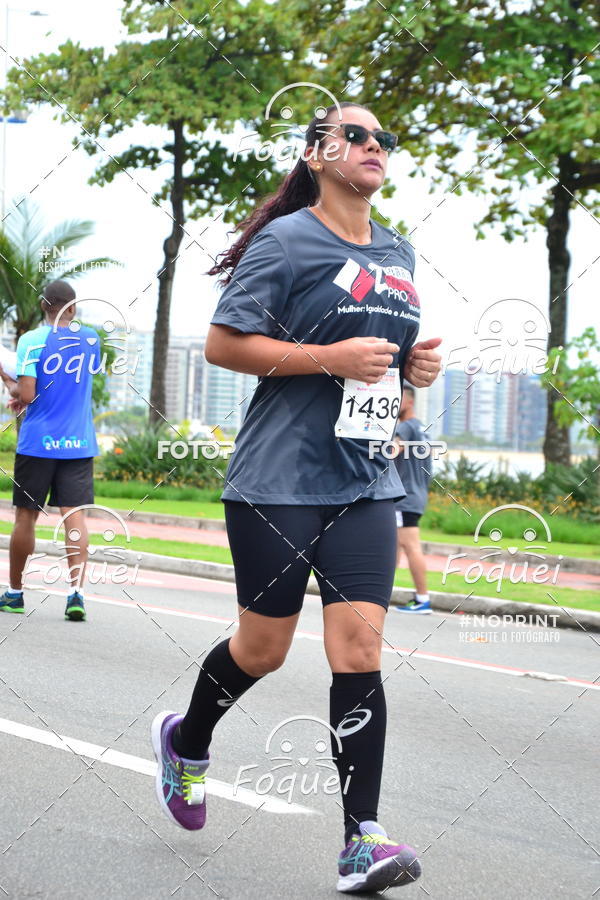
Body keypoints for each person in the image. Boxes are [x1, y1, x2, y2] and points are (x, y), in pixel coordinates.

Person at [151, 102, 441, 894]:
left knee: (360, 652)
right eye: (356, 135)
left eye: (385, 137)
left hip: (366, 482)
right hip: (278, 479)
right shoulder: (285, 241)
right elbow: (224, 344)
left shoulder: (399, 251)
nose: (375, 144)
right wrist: (329, 357)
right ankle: (187, 741)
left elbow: (388, 370)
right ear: (317, 155)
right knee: (263, 650)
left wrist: (414, 370)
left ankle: (361, 840)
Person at [0, 280, 100, 621]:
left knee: (25, 517)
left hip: (38, 443)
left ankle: (15, 594)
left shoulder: (31, 341)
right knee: (74, 516)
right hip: (77, 443)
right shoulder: (91, 340)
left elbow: (28, 394)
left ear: (44, 306)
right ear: (72, 308)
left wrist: (8, 381)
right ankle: (76, 595)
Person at [393, 385, 433, 614]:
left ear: (409, 402)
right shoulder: (421, 428)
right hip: (417, 495)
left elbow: (390, 452)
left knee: (410, 546)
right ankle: (378, 596)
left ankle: (422, 599)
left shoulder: (406, 427)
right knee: (393, 547)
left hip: (405, 497)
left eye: (397, 399)